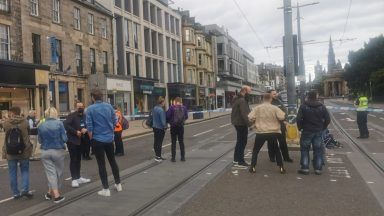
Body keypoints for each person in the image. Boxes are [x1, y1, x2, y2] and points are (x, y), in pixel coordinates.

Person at [86, 89, 122, 196]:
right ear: (101, 97)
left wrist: (91, 139)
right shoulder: (109, 106)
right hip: (109, 139)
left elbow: (89, 126)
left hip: (97, 139)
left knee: (101, 164)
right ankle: (118, 184)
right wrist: (110, 130)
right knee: (112, 161)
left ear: (93, 97)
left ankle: (106, 189)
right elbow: (115, 121)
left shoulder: (90, 109)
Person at [248, 93, 286, 174]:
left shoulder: (257, 108)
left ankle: (253, 167)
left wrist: (255, 121)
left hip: (261, 132)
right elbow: (282, 117)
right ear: (271, 99)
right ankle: (281, 167)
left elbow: (250, 117)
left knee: (255, 150)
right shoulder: (275, 108)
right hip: (273, 132)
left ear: (263, 99)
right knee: (276, 149)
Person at [2, 106, 33, 199]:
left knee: (12, 172)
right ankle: (25, 190)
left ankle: (15, 193)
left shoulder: (6, 123)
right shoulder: (25, 122)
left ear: (12, 113)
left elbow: (4, 129)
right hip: (24, 151)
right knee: (25, 171)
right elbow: (29, 133)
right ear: (19, 112)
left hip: (10, 152)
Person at [297, 91, 330, 175]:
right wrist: (323, 127)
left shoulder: (303, 106)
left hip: (307, 130)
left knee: (304, 149)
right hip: (318, 130)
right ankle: (318, 169)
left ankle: (305, 168)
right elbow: (328, 119)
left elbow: (298, 119)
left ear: (308, 96)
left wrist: (300, 128)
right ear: (316, 96)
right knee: (318, 150)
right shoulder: (322, 106)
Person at [38, 107, 67, 203]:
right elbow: (64, 138)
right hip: (58, 150)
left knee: (51, 173)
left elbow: (40, 140)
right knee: (58, 173)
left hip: (45, 151)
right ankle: (57, 196)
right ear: (55, 114)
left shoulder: (41, 125)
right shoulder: (59, 123)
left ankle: (49, 193)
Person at [64, 102, 91, 188]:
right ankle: (74, 179)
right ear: (76, 107)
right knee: (73, 159)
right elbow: (65, 125)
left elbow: (88, 124)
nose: (80, 108)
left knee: (79, 159)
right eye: (78, 107)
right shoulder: (71, 115)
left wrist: (85, 129)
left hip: (82, 141)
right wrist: (76, 132)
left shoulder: (85, 116)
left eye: (82, 106)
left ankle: (78, 177)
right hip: (72, 141)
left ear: (84, 107)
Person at [267, 90, 293, 163]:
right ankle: (272, 157)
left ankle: (286, 157)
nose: (276, 95)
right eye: (274, 94)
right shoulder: (267, 103)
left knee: (283, 142)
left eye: (276, 93)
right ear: (269, 95)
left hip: (281, 125)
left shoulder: (279, 101)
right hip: (271, 126)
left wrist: (286, 120)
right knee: (271, 142)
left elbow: (285, 111)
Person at [231, 85, 252, 168]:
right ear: (245, 91)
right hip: (241, 123)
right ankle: (240, 161)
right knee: (242, 142)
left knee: (239, 141)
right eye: (249, 91)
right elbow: (245, 114)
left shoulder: (237, 98)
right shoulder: (242, 101)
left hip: (237, 123)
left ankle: (236, 159)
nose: (250, 93)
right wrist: (250, 125)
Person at [166, 97, 188, 162]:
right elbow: (186, 116)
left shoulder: (172, 107)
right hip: (181, 127)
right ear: (181, 101)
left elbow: (167, 116)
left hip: (173, 127)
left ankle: (173, 158)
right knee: (181, 142)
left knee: (173, 142)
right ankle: (183, 157)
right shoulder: (184, 108)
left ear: (175, 101)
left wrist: (170, 121)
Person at [152, 97, 167, 162]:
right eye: (164, 102)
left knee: (156, 141)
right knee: (159, 143)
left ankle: (157, 155)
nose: (165, 103)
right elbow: (163, 121)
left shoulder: (155, 108)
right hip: (160, 128)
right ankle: (158, 157)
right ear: (162, 102)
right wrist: (165, 127)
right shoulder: (161, 110)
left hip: (154, 127)